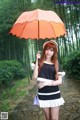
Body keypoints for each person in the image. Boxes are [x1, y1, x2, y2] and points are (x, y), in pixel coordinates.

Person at [32, 40, 65, 120]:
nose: (48, 52)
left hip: (54, 93)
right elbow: (35, 77)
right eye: (47, 49)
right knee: (48, 118)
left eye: (51, 50)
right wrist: (37, 60)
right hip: (43, 95)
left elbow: (60, 81)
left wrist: (46, 83)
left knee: (54, 118)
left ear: (54, 52)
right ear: (44, 50)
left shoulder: (56, 63)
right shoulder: (39, 62)